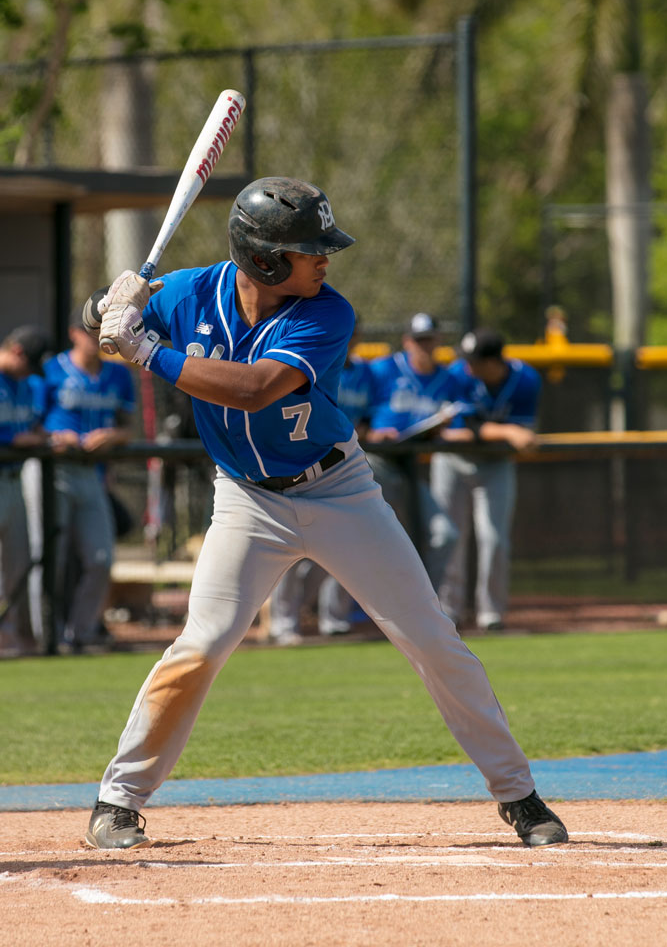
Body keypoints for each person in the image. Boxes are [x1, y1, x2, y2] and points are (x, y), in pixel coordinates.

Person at [85, 176, 567, 851]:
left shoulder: (326, 313)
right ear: (264, 258)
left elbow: (254, 390)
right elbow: (102, 320)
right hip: (247, 498)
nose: (324, 260)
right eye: (311, 250)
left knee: (430, 637)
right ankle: (117, 800)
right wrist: (109, 305)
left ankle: (517, 794)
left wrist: (143, 349)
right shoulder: (188, 291)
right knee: (203, 642)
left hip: (337, 491)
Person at [431, 328, 541, 631]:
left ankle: (491, 614)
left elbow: (522, 434)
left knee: (494, 539)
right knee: (450, 537)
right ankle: (447, 611)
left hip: (495, 465)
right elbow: (463, 429)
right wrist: (506, 431)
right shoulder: (458, 374)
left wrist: (504, 434)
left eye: (475, 360)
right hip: (452, 461)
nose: (467, 366)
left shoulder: (526, 379)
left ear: (494, 361)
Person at [268, 323, 372, 645]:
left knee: (340, 549)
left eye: (351, 334)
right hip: (297, 464)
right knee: (290, 552)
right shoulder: (304, 361)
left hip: (342, 467)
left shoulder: (364, 373)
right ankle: (283, 623)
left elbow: (370, 417)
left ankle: (330, 617)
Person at [42, 306, 136, 652]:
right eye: (89, 331)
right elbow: (29, 423)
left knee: (99, 559)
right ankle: (45, 636)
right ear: (73, 333)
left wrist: (112, 435)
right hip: (54, 472)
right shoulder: (51, 370)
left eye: (101, 330)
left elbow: (127, 428)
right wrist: (54, 436)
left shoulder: (118, 374)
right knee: (54, 557)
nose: (95, 338)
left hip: (96, 475)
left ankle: (80, 633)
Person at [364, 312, 458, 591]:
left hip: (410, 469)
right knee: (357, 539)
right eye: (419, 340)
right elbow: (351, 411)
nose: (424, 345)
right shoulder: (380, 369)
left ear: (439, 340)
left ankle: (428, 607)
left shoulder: (448, 379)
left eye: (429, 339)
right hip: (373, 463)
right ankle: (333, 618)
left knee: (445, 535)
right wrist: (368, 433)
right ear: (407, 341)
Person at [0, 325, 51, 656]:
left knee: (18, 567)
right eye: (27, 364)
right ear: (17, 351)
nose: (29, 374)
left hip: (14, 481)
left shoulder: (26, 385)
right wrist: (12, 440)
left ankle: (16, 639)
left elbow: (35, 424)